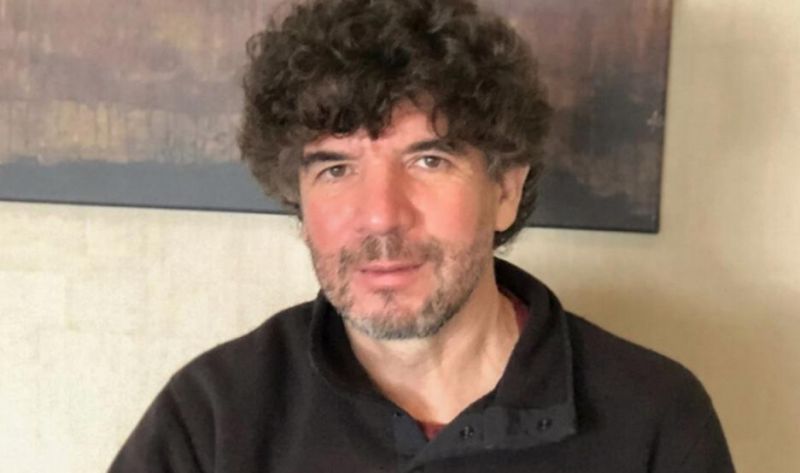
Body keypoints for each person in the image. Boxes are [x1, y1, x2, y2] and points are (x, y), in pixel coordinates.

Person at [110, 0, 735, 471]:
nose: (380, 216)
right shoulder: (214, 417)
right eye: (336, 169)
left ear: (505, 189)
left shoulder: (654, 418)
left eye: (429, 160)